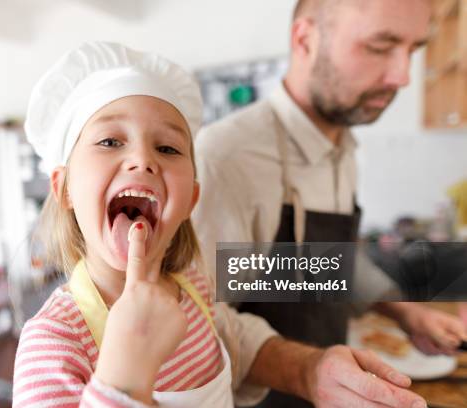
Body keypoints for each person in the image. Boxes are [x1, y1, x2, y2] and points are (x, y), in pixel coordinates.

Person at [12, 41, 429, 408]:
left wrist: (313, 368)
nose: (143, 159)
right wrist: (125, 375)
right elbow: (256, 275)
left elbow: (235, 333)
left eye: (168, 147)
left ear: (192, 196)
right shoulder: (55, 344)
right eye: (109, 141)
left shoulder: (194, 285)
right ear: (63, 188)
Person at [193, 0, 467, 407]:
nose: (402, 76)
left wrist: (405, 312)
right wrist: (305, 370)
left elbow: (321, 262)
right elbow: (194, 319)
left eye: (412, 50)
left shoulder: (343, 147)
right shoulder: (228, 156)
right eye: (379, 46)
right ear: (305, 39)